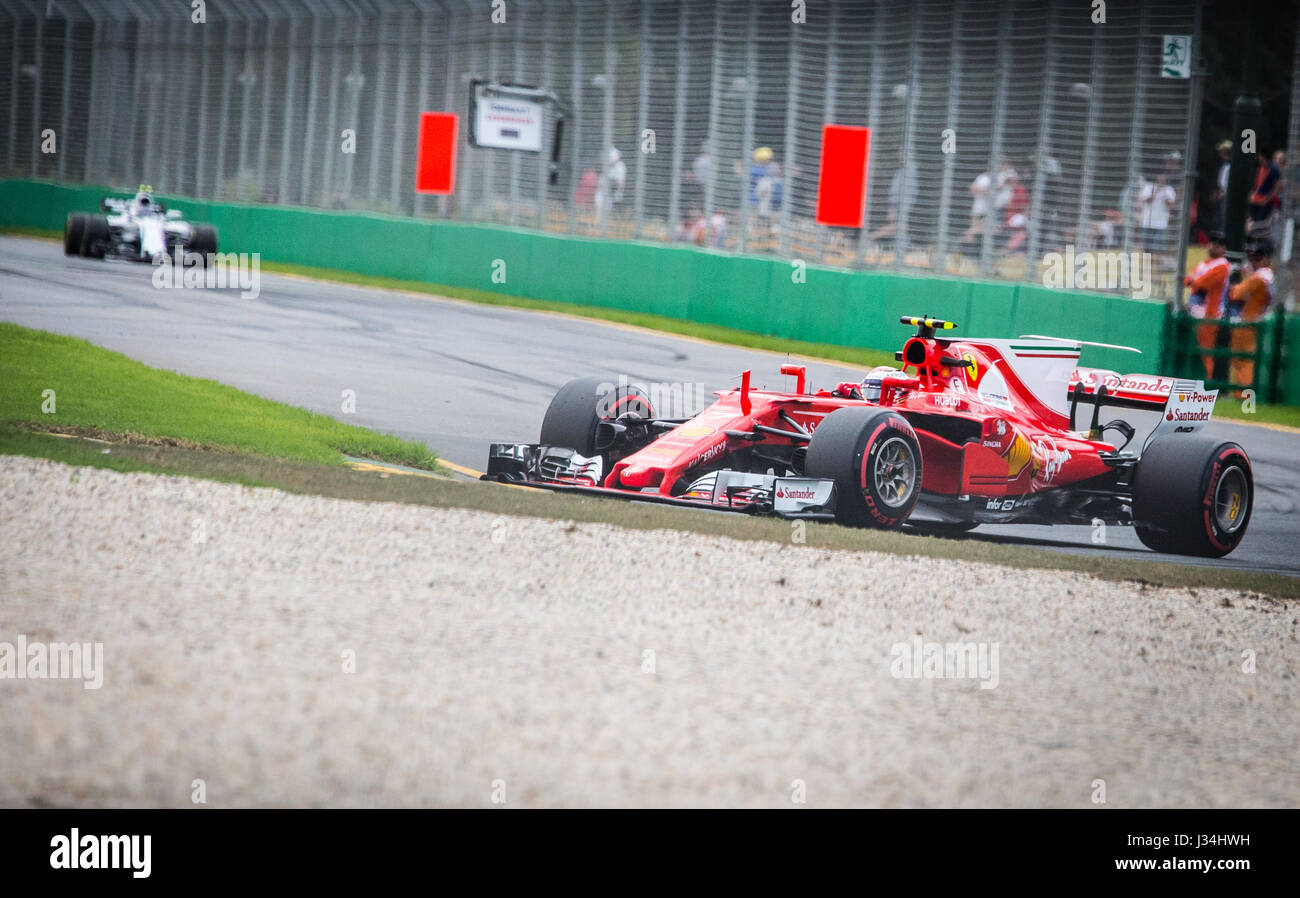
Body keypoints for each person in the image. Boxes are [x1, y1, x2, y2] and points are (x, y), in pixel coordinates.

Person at [1226, 238, 1275, 392]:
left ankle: (1244, 396)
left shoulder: (1261, 276)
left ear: (1266, 259)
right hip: (1259, 323)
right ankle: (1244, 394)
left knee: (1245, 362)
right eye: (1252, 258)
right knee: (1246, 362)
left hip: (1251, 326)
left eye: (1258, 258)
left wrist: (1235, 285)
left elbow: (1235, 294)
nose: (1253, 261)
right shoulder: (1267, 275)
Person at [1184, 231, 1231, 379]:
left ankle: (1207, 383)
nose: (1214, 246)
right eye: (1212, 242)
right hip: (1196, 312)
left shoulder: (1223, 265)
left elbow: (1201, 282)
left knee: (1206, 352)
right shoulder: (1204, 263)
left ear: (1224, 248)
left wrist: (1195, 281)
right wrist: (1195, 281)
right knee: (1193, 351)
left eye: (1218, 244)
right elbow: (1186, 280)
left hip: (1210, 314)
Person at [1246, 149, 1281, 240]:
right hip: (1255, 200)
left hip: (1264, 201)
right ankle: (1251, 241)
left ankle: (1259, 242)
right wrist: (1251, 194)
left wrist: (1268, 198)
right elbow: (1256, 183)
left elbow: (1276, 187)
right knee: (1252, 221)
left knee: (1261, 223)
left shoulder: (1273, 169)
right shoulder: (1259, 168)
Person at [1213, 139, 1232, 232]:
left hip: (1226, 196)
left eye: (1222, 152)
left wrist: (1224, 193)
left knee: (1224, 219)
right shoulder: (1223, 165)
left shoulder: (1232, 165)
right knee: (1218, 219)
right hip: (1221, 194)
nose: (1220, 154)